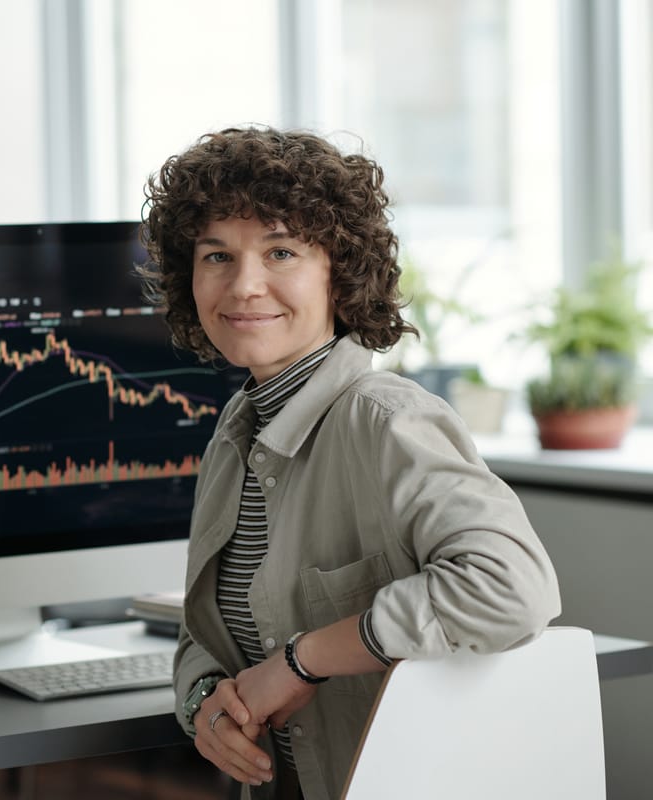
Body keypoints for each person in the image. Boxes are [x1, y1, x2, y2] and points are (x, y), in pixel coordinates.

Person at [137, 126, 561, 799]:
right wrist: (204, 702)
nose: (244, 286)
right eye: (217, 256)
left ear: (342, 270)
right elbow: (205, 633)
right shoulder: (239, 430)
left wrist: (302, 662)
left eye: (281, 251)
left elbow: (512, 589)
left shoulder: (386, 420)